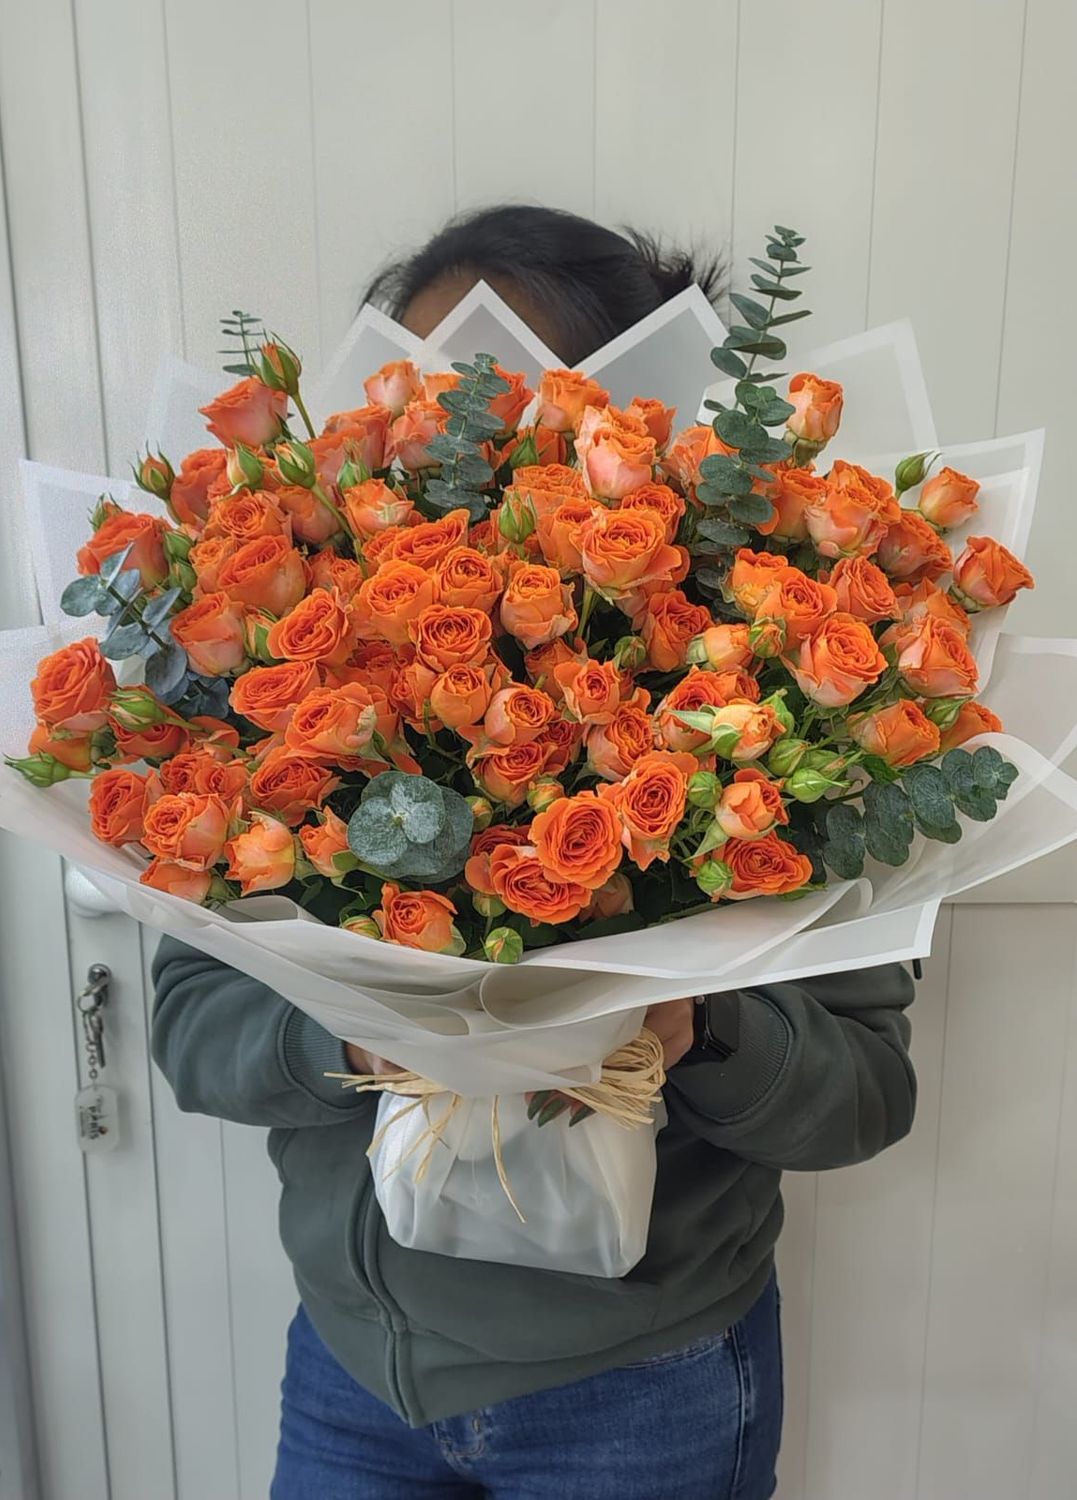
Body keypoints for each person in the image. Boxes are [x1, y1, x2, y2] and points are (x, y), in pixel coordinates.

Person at [151, 204, 917, 1500]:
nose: (462, 444)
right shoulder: (273, 682)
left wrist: (693, 1032)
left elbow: (860, 1095)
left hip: (642, 1386)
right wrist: (348, 1036)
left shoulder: (790, 716)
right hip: (349, 1373)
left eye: (515, 406)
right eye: (428, 400)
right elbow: (188, 1027)